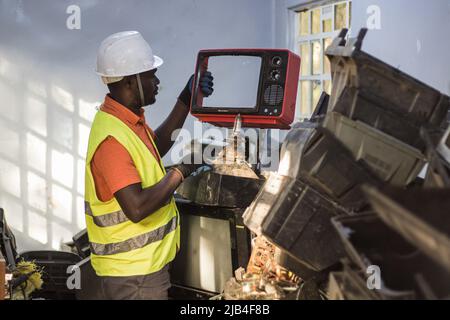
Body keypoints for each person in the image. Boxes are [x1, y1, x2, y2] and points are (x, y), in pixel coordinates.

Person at [84, 31, 213, 300]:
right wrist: (182, 170)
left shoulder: (126, 122)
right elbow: (137, 207)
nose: (156, 82)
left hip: (140, 272)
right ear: (131, 81)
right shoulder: (111, 139)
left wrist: (186, 98)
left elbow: (156, 146)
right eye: (151, 75)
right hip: (134, 277)